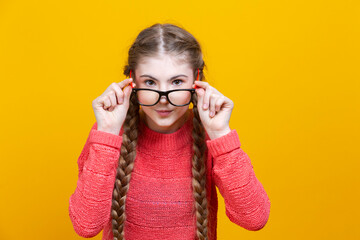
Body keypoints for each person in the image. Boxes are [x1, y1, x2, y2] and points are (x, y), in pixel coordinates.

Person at [68, 23, 271, 240]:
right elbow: (86, 226)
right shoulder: (108, 134)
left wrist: (221, 134)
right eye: (150, 82)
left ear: (197, 79)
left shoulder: (211, 136)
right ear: (131, 80)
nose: (163, 98)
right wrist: (107, 135)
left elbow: (254, 219)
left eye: (176, 82)